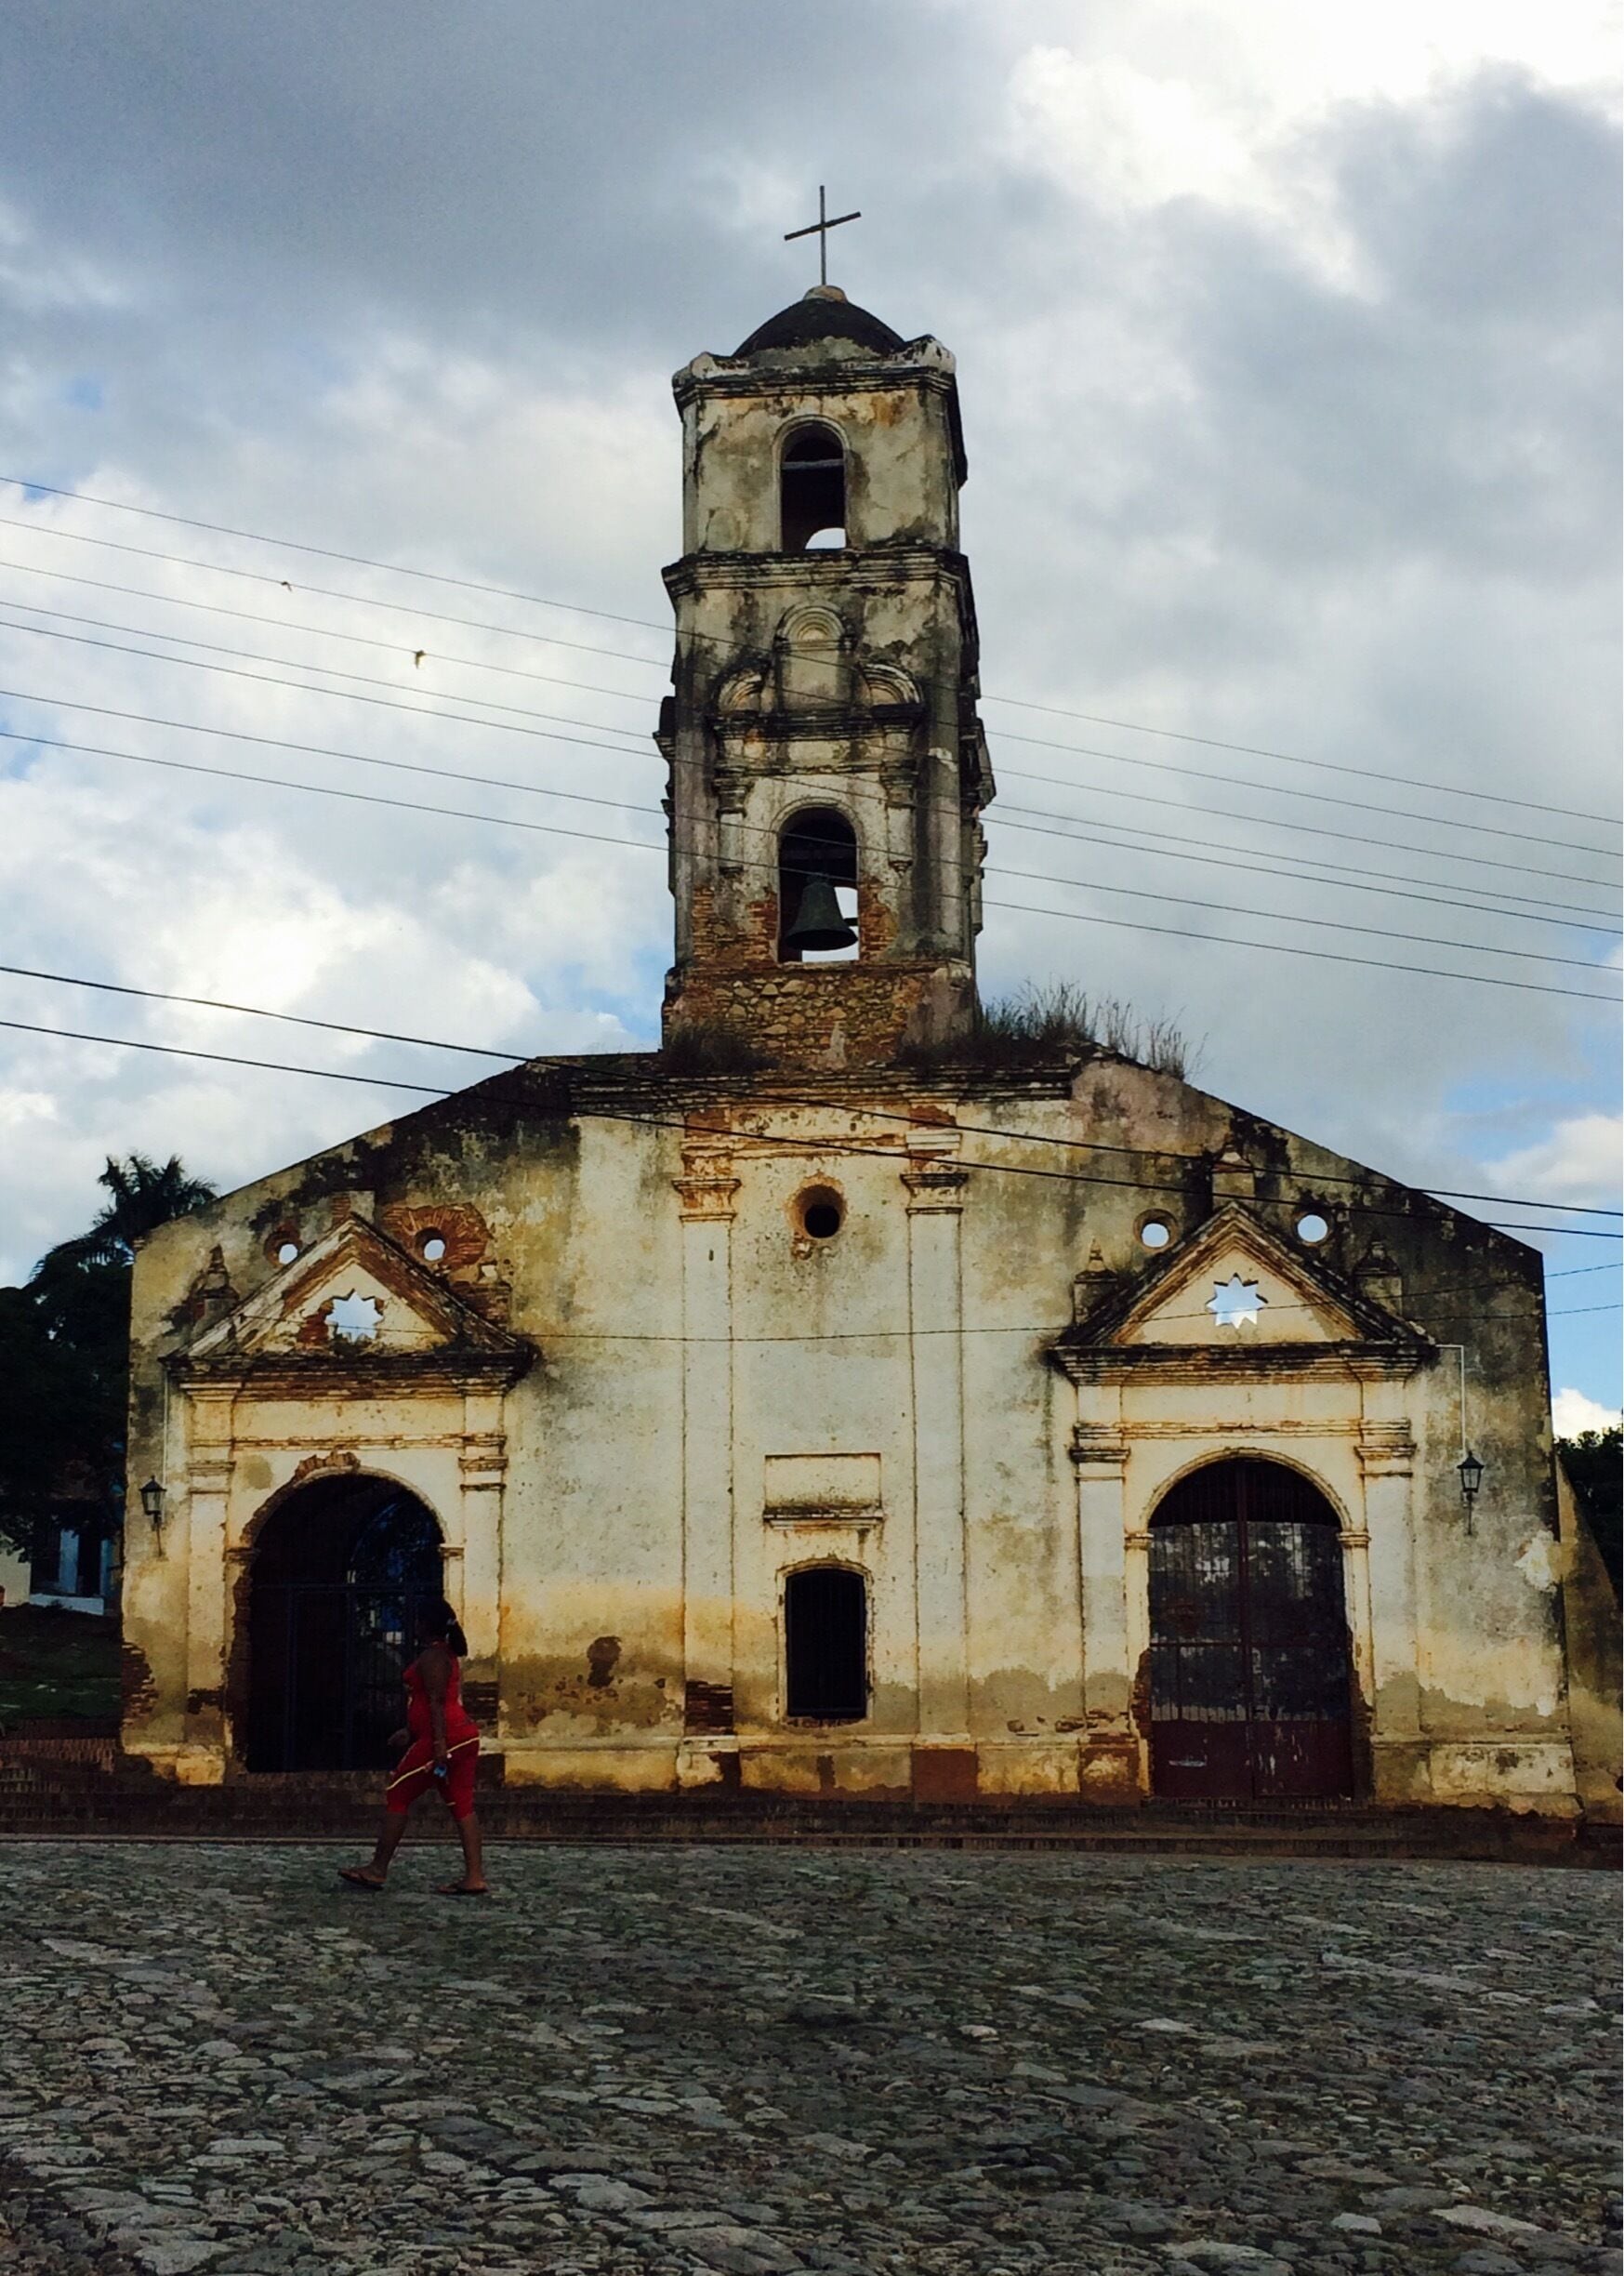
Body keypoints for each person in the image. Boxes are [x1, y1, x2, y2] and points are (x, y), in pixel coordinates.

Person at [338, 1599, 488, 1896]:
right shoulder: (444, 1654)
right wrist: (410, 1730)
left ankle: (378, 1869)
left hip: (445, 1739)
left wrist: (438, 1745)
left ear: (424, 1624)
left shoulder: (433, 1656)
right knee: (462, 1804)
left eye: (418, 1620)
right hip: (462, 1736)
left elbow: (435, 1702)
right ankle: (474, 1877)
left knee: (397, 1793)